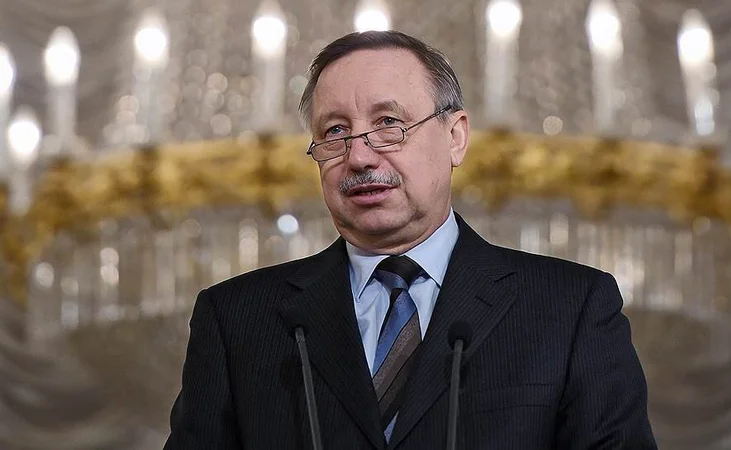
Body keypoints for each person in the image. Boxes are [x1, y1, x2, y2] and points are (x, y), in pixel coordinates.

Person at [164, 30, 657, 449]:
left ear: (455, 136)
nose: (359, 157)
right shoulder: (236, 319)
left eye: (388, 124)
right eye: (334, 131)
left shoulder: (571, 307)